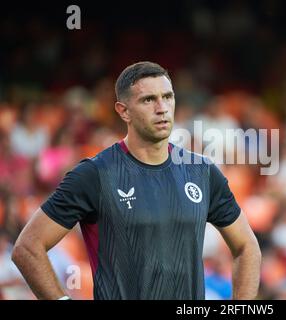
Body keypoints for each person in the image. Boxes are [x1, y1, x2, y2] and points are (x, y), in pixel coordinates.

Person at [11, 61, 261, 300]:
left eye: (168, 97)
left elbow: (247, 247)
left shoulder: (202, 171)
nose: (162, 108)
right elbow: (28, 248)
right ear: (123, 111)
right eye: (148, 99)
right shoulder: (94, 175)